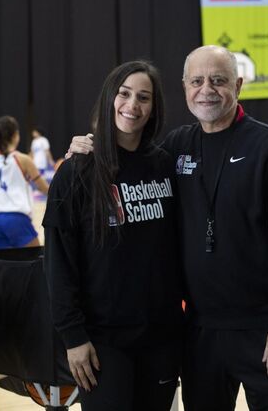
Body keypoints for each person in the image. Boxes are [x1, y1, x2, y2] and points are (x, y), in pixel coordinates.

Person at [68, 45, 268, 411]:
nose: (206, 90)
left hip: (264, 330)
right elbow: (128, 161)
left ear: (238, 85)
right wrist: (88, 148)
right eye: (197, 81)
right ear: (184, 87)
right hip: (199, 334)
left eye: (218, 80)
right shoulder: (176, 147)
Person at [43, 61, 183, 410]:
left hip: (161, 337)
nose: (132, 105)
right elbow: (59, 263)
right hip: (102, 342)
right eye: (124, 94)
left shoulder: (165, 165)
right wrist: (73, 337)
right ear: (109, 97)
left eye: (144, 97)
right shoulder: (77, 170)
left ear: (154, 108)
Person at [0, 115, 48, 249]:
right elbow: (44, 188)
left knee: (0, 261)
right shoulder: (23, 159)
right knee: (36, 257)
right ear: (15, 135)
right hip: (16, 218)